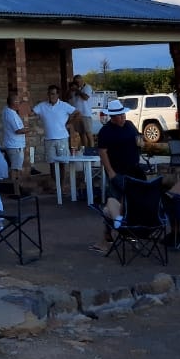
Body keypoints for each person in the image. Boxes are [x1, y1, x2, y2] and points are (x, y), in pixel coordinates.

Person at [90, 99, 141, 253]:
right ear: (112, 117)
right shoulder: (106, 131)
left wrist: (141, 142)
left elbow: (138, 137)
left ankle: (131, 235)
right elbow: (102, 152)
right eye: (120, 116)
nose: (123, 117)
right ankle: (107, 236)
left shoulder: (129, 125)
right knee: (113, 203)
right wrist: (111, 172)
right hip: (117, 172)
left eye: (123, 114)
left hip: (134, 171)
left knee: (132, 204)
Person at [33, 84, 77, 192]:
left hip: (62, 138)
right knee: (52, 164)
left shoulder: (64, 105)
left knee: (62, 163)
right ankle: (56, 186)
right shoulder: (42, 106)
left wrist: (70, 123)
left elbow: (77, 113)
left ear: (58, 95)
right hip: (49, 139)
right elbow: (31, 113)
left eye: (53, 94)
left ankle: (62, 186)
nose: (51, 96)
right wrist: (34, 125)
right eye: (49, 94)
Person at [1, 93, 29, 178]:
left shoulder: (6, 110)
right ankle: (15, 185)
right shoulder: (11, 114)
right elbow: (18, 130)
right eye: (18, 101)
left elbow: (11, 102)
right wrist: (31, 129)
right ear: (14, 103)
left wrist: (22, 102)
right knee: (16, 169)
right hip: (15, 146)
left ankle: (14, 184)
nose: (19, 103)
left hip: (11, 144)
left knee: (13, 167)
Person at [69, 74, 94, 153]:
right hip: (77, 114)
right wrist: (70, 90)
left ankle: (92, 151)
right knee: (81, 134)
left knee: (88, 133)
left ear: (82, 81)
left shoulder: (87, 87)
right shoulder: (74, 90)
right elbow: (68, 98)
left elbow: (85, 97)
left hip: (86, 114)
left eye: (78, 82)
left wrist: (77, 90)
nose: (77, 83)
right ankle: (85, 151)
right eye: (75, 82)